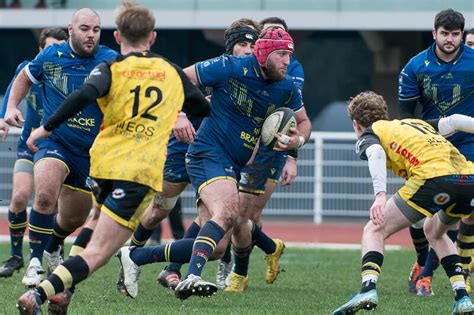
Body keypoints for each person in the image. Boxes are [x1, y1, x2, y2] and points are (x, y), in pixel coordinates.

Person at [16, 2, 211, 313]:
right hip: (137, 174)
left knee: (94, 221)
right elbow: (202, 107)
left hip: (103, 164)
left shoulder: (111, 67)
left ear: (118, 37)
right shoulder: (170, 72)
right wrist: (176, 110)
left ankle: (62, 292)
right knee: (99, 253)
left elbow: (81, 95)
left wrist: (45, 128)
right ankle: (38, 295)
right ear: (154, 37)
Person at [117, 27, 311, 301]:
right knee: (229, 210)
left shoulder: (286, 87)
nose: (287, 62)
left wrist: (297, 141)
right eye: (281, 54)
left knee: (218, 247)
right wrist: (178, 114)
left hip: (234, 163)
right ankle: (192, 276)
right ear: (265, 53)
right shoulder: (230, 67)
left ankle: (135, 255)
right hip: (207, 152)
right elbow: (177, 78)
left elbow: (304, 121)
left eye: (289, 55)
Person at [4, 8, 117, 289]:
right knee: (42, 194)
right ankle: (33, 262)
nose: (91, 35)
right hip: (53, 141)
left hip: (90, 152)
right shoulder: (50, 56)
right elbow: (24, 77)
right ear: (70, 29)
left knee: (73, 218)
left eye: (96, 29)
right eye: (84, 29)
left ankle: (53, 244)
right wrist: (10, 107)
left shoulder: (110, 60)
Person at [333, 91, 474, 314]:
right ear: (384, 113)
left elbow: (376, 152)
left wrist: (380, 195)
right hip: (468, 179)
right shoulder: (415, 124)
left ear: (356, 123)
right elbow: (455, 121)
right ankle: (462, 297)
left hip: (434, 178)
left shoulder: (370, 134)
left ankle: (368, 288)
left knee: (374, 229)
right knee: (435, 232)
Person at [225, 16, 306, 292]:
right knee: (241, 216)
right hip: (241, 147)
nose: (284, 56)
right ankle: (270, 248)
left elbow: (294, 120)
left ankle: (239, 273)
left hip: (269, 154)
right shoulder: (246, 67)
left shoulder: (291, 72)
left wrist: (293, 156)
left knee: (243, 215)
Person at [399, 8, 474, 297]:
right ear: (434, 33)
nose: (450, 40)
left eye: (455, 34)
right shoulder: (415, 67)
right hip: (430, 145)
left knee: (458, 209)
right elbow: (406, 115)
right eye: (445, 33)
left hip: (468, 145)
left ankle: (436, 275)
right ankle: (422, 263)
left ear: (461, 35)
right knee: (419, 213)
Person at [0, 28, 68, 278]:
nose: (56, 53)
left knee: (52, 204)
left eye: (60, 47)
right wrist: (3, 119)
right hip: (29, 146)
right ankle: (16, 256)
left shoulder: (71, 73)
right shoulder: (29, 70)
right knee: (18, 196)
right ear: (40, 51)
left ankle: (51, 253)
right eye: (50, 48)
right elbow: (13, 92)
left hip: (60, 148)